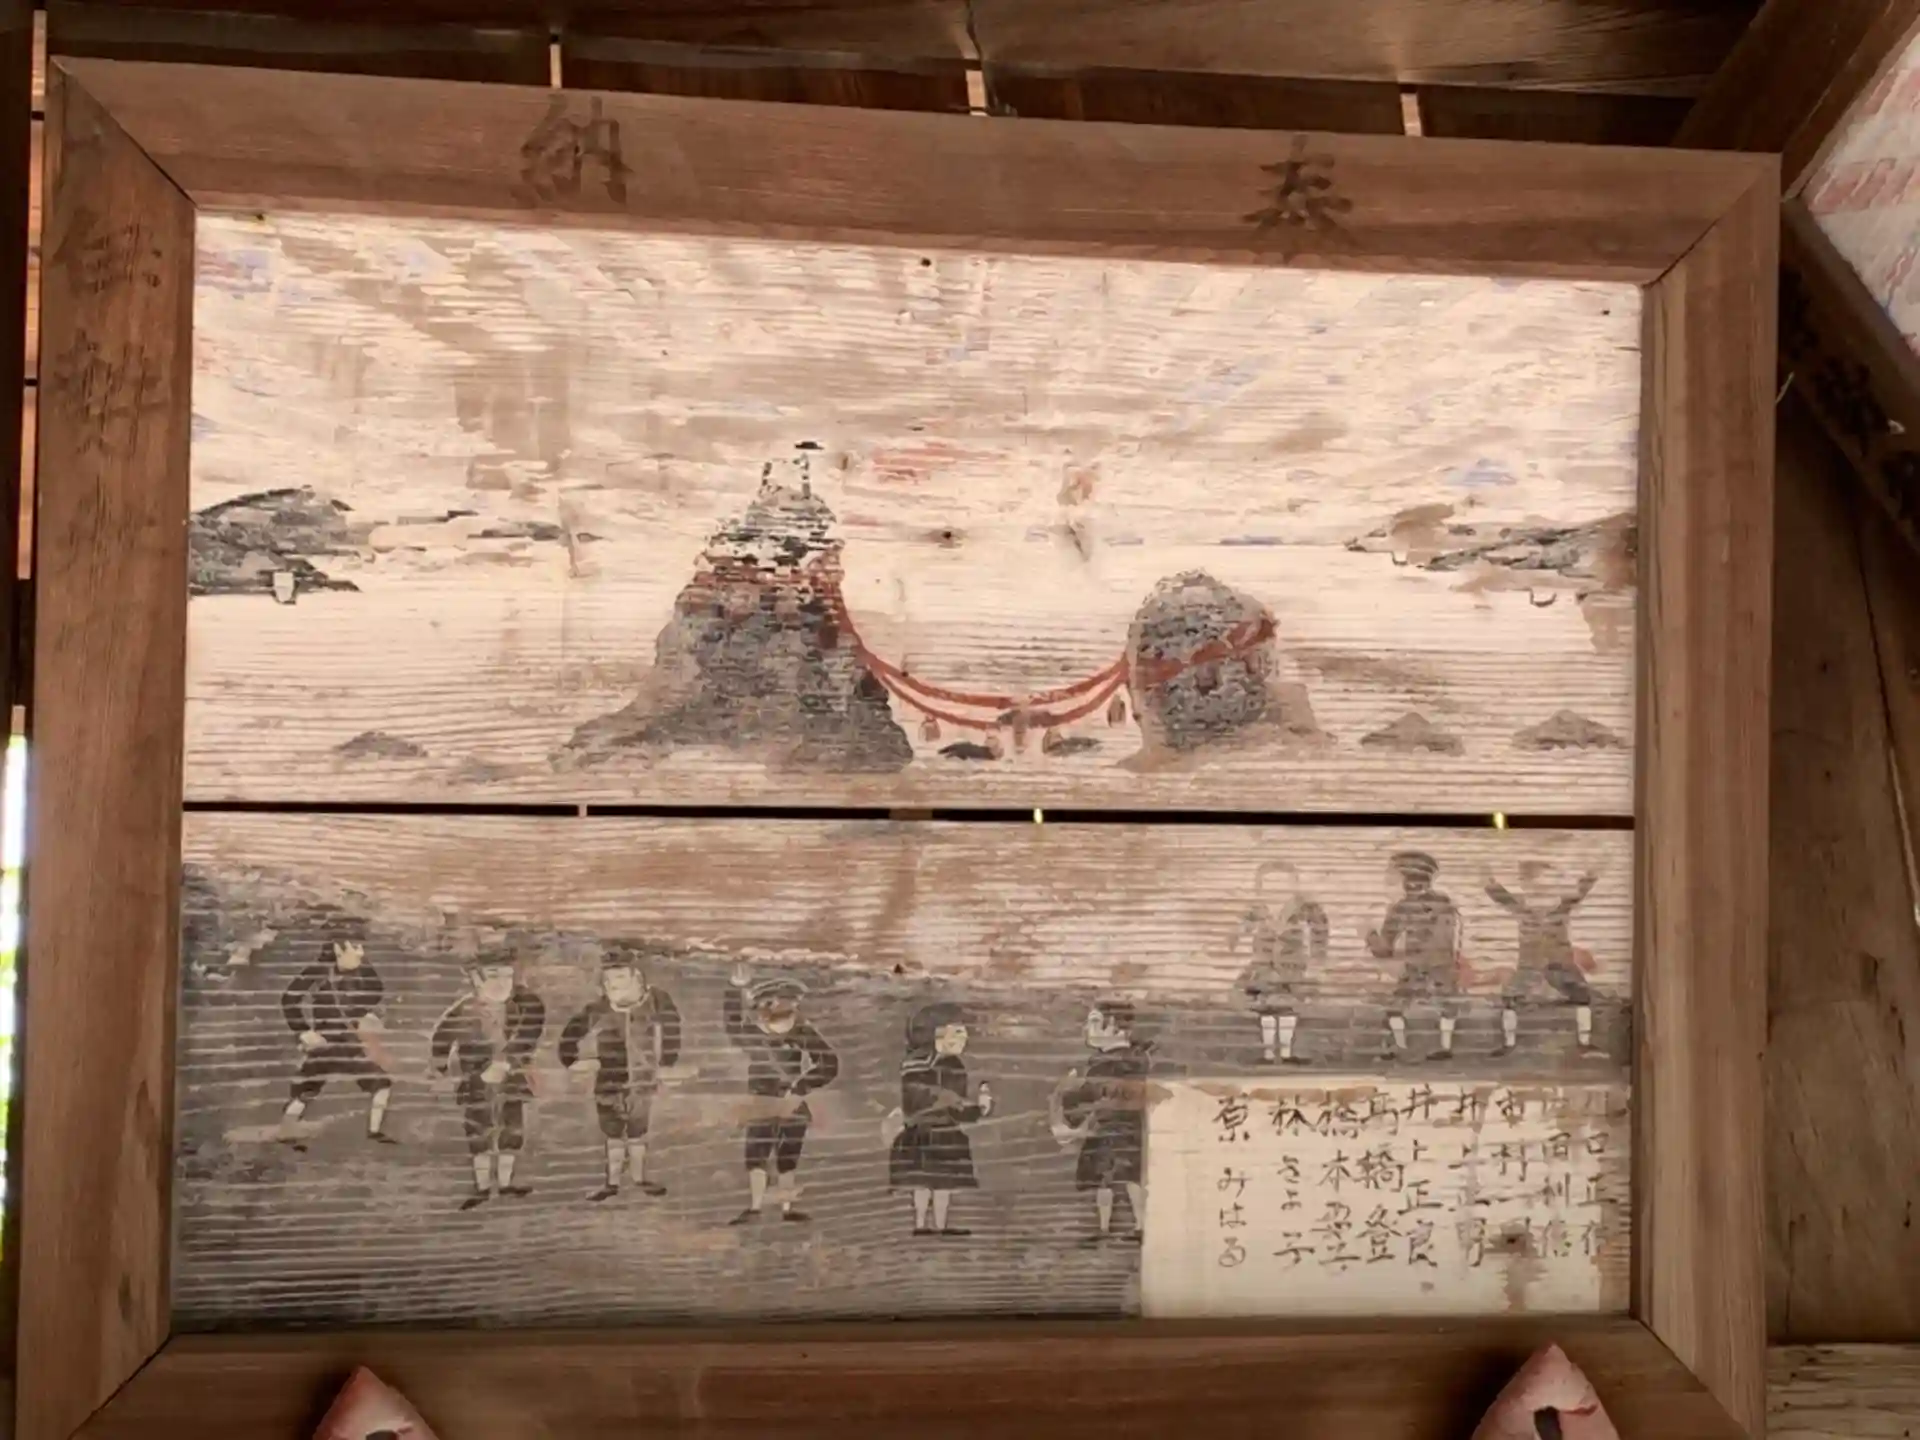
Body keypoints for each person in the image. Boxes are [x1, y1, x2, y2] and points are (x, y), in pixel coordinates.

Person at [560, 947, 683, 1201]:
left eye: (621, 977)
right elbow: (572, 1032)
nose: (615, 984)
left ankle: (639, 1178)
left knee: (638, 1131)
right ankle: (612, 1183)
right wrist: (571, 1061)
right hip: (609, 1082)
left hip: (642, 1081)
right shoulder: (599, 1009)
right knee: (613, 1133)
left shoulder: (654, 1001)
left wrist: (668, 1061)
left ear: (637, 978)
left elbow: (672, 1026)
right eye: (610, 979)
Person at [723, 962, 839, 1225]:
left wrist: (800, 1088)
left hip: (790, 1104)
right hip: (761, 1103)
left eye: (789, 1008)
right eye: (777, 1008)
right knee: (757, 1155)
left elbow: (829, 1063)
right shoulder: (752, 1036)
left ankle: (787, 1209)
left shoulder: (803, 1034)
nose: (785, 1015)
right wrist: (734, 990)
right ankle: (755, 1208)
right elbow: (732, 1025)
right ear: (762, 1011)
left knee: (788, 1156)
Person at [430, 953, 546, 1211]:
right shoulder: (463, 1010)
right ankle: (482, 1187)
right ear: (477, 979)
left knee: (512, 1130)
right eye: (494, 976)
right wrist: (441, 1067)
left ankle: (505, 1183)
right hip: (476, 1081)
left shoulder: (521, 1006)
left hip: (511, 1080)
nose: (502, 982)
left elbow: (528, 1035)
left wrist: (507, 1062)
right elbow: (441, 1037)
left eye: (507, 976)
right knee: (478, 1131)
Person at [278, 932, 394, 1150]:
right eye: (354, 948)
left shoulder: (360, 971)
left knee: (308, 1090)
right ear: (338, 951)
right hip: (328, 1044)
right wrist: (303, 1031)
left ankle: (286, 1132)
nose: (361, 953)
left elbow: (376, 991)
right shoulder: (318, 972)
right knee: (308, 1090)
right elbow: (289, 999)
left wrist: (361, 1011)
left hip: (344, 1044)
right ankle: (374, 1133)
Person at [1050, 1001, 1151, 1244]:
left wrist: (1071, 1095)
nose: (1087, 1028)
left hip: (1114, 1126)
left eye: (1095, 1022)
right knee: (1115, 1178)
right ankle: (1121, 1226)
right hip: (1117, 1126)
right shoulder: (1130, 1059)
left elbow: (1093, 1094)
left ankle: (1126, 1227)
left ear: (1115, 1026)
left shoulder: (1112, 1062)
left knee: (1120, 1177)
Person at [889, 1002, 992, 1237]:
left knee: (943, 1183)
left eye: (964, 1031)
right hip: (923, 1133)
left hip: (946, 1133)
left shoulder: (954, 1066)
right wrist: (955, 1102)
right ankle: (920, 1224)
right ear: (936, 1033)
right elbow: (922, 1097)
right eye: (957, 1031)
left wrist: (978, 1110)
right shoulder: (917, 1063)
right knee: (923, 1182)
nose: (964, 1037)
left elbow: (957, 1109)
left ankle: (940, 1225)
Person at [1485, 863, 1601, 1055]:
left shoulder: (1561, 908)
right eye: (1537, 886)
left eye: (1548, 885)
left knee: (1583, 996)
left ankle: (1584, 1042)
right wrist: (1489, 883)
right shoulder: (1523, 909)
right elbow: (1502, 897)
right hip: (1531, 964)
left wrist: (1591, 876)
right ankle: (1508, 1044)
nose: (1543, 891)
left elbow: (1579, 893)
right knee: (1510, 999)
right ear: (1527, 887)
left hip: (1560, 964)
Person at [1367, 851, 1463, 1061]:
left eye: (1393, 874)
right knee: (1446, 1006)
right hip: (1439, 966)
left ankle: (1401, 1047)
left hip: (1422, 968)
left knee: (1397, 1008)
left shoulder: (1402, 908)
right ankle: (1442, 1047)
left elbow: (1384, 949)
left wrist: (1369, 934)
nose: (1388, 878)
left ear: (1408, 878)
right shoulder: (1444, 904)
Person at [1230, 861, 1329, 1064]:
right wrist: (1236, 936)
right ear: (1260, 888)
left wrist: (1317, 956)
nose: (1276, 891)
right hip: (1264, 965)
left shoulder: (1303, 908)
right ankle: (1268, 1053)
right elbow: (1242, 926)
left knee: (1288, 1009)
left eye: (1282, 884)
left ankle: (1285, 1052)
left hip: (1291, 966)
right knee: (1266, 1010)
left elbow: (1319, 927)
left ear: (1293, 886)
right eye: (1269, 885)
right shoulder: (1259, 909)